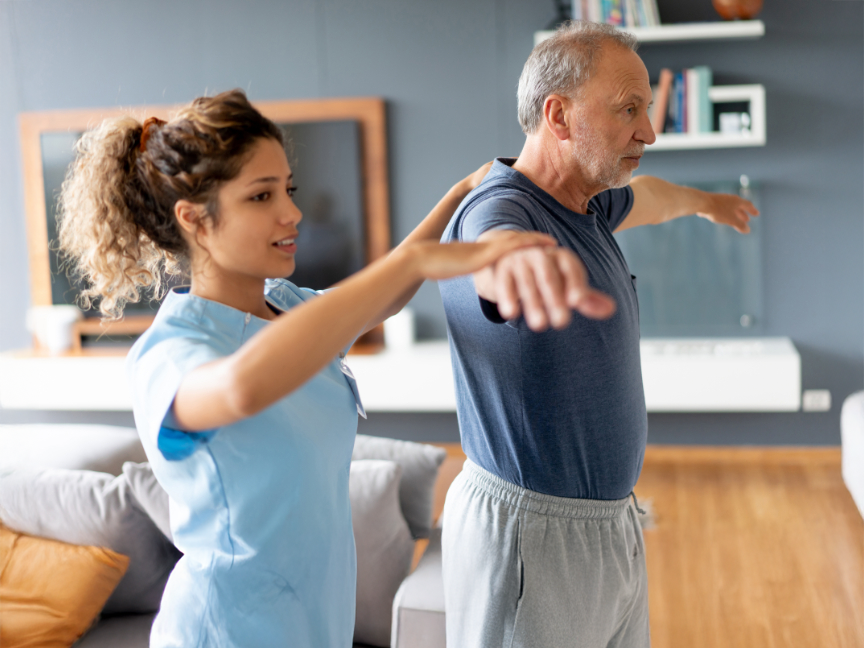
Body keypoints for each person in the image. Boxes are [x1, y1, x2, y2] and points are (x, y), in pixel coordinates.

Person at [56, 89, 558, 647]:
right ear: (196, 219)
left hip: (315, 626)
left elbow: (380, 297)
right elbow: (242, 387)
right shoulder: (170, 353)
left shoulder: (288, 306)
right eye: (261, 196)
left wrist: (463, 193)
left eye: (287, 189)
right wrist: (416, 262)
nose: (291, 212)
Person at [438, 21, 759, 648]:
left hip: (609, 523)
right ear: (558, 116)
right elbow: (493, 252)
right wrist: (522, 269)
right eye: (628, 109)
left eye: (647, 107)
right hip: (531, 535)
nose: (650, 130)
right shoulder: (500, 209)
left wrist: (706, 202)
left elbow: (652, 196)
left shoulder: (586, 206)